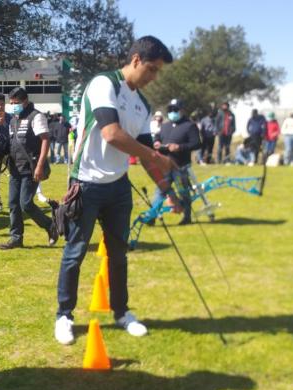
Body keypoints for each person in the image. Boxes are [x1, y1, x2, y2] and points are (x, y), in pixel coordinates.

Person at [54, 36, 176, 345]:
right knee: (75, 252)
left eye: (158, 72)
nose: (153, 77)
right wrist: (155, 157)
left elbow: (147, 151)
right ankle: (64, 316)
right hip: (86, 183)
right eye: (151, 69)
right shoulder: (102, 84)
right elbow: (111, 134)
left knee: (119, 254)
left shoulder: (143, 104)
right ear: (135, 59)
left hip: (119, 188)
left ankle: (122, 312)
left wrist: (167, 188)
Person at [0, 87, 58, 250]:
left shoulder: (36, 116)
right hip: (15, 168)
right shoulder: (13, 119)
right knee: (13, 203)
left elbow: (45, 140)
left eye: (15, 102)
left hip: (30, 167)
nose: (12, 105)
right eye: (10, 102)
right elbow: (13, 142)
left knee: (25, 203)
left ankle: (51, 226)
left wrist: (39, 165)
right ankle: (16, 238)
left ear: (24, 101)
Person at [152, 98, 201, 225]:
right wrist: (156, 142)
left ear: (182, 110)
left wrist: (180, 147)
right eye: (170, 110)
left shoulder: (190, 125)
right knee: (160, 191)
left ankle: (187, 217)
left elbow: (196, 144)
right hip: (164, 166)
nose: (172, 112)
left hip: (180, 167)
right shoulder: (165, 125)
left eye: (175, 110)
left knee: (183, 191)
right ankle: (152, 217)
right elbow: (158, 137)